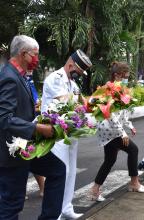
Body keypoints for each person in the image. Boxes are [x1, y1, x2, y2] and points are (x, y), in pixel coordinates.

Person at [0, 35, 66, 220]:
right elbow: (4, 118)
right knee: (12, 203)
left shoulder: (19, 75)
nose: (37, 59)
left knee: (57, 170)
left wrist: (43, 118)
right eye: (35, 55)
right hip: (13, 149)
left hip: (26, 144)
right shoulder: (9, 77)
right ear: (23, 54)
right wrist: (37, 127)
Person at [41, 49, 92, 219]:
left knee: (70, 172)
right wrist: (79, 103)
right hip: (55, 133)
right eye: (78, 71)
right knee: (60, 172)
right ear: (71, 65)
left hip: (70, 132)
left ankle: (66, 208)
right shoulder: (55, 78)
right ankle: (54, 214)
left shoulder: (72, 82)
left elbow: (81, 102)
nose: (79, 75)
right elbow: (65, 101)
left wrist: (94, 102)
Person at [90, 62, 144, 201]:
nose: (126, 79)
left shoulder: (120, 88)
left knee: (110, 160)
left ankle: (95, 189)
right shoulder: (109, 90)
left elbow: (122, 112)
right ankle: (134, 183)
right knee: (133, 150)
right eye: (125, 76)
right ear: (116, 75)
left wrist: (129, 125)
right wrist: (122, 133)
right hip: (109, 130)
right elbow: (109, 114)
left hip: (113, 129)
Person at [25, 71, 45, 198]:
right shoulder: (14, 78)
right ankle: (22, 190)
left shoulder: (29, 81)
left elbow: (36, 101)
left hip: (32, 126)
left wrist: (38, 105)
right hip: (21, 128)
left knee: (35, 157)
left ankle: (43, 188)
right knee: (23, 158)